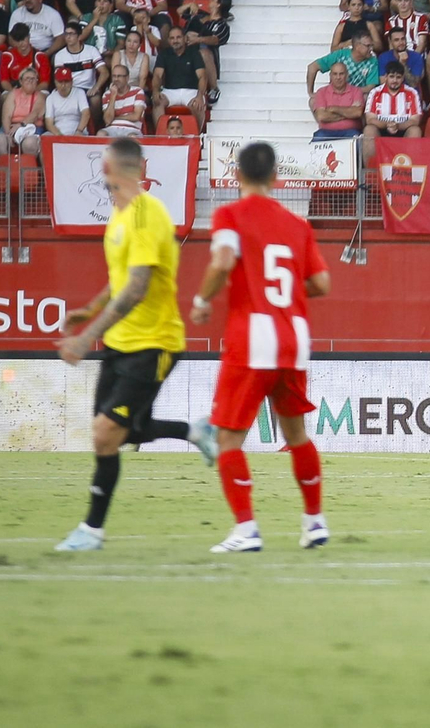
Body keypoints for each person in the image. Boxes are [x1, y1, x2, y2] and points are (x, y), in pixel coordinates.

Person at [53, 138, 216, 551]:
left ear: (108, 168)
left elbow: (137, 289)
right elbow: (120, 280)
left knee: (106, 433)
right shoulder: (119, 216)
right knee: (119, 434)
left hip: (154, 343)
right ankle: (193, 431)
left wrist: (85, 338)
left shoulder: (147, 215)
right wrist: (88, 310)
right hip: (120, 342)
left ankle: (91, 531)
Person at [188, 142, 331, 554]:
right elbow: (321, 284)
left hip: (252, 339)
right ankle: (314, 521)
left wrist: (201, 301)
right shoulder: (298, 225)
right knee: (297, 435)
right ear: (275, 179)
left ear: (237, 177)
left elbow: (223, 258)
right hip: (294, 336)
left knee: (230, 440)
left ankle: (246, 529)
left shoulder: (230, 214)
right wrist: (284, 297)